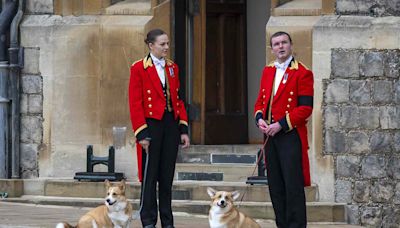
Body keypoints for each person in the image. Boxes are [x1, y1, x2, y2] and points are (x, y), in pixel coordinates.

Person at [128, 28, 190, 228]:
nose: (166, 47)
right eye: (162, 44)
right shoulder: (139, 67)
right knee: (150, 176)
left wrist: (183, 129)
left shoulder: (172, 67)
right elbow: (135, 103)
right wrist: (142, 133)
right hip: (151, 125)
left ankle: (167, 221)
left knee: (166, 176)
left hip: (170, 124)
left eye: (167, 43)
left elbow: (178, 100)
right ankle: (148, 221)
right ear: (151, 45)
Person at [254, 31, 313, 228]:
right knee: (276, 186)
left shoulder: (302, 72)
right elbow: (260, 102)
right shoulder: (267, 70)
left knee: (292, 186)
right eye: (276, 44)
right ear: (272, 49)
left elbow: (305, 108)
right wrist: (260, 119)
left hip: (290, 135)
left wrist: (280, 124)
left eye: (284, 43)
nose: (280, 47)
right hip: (270, 136)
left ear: (291, 45)